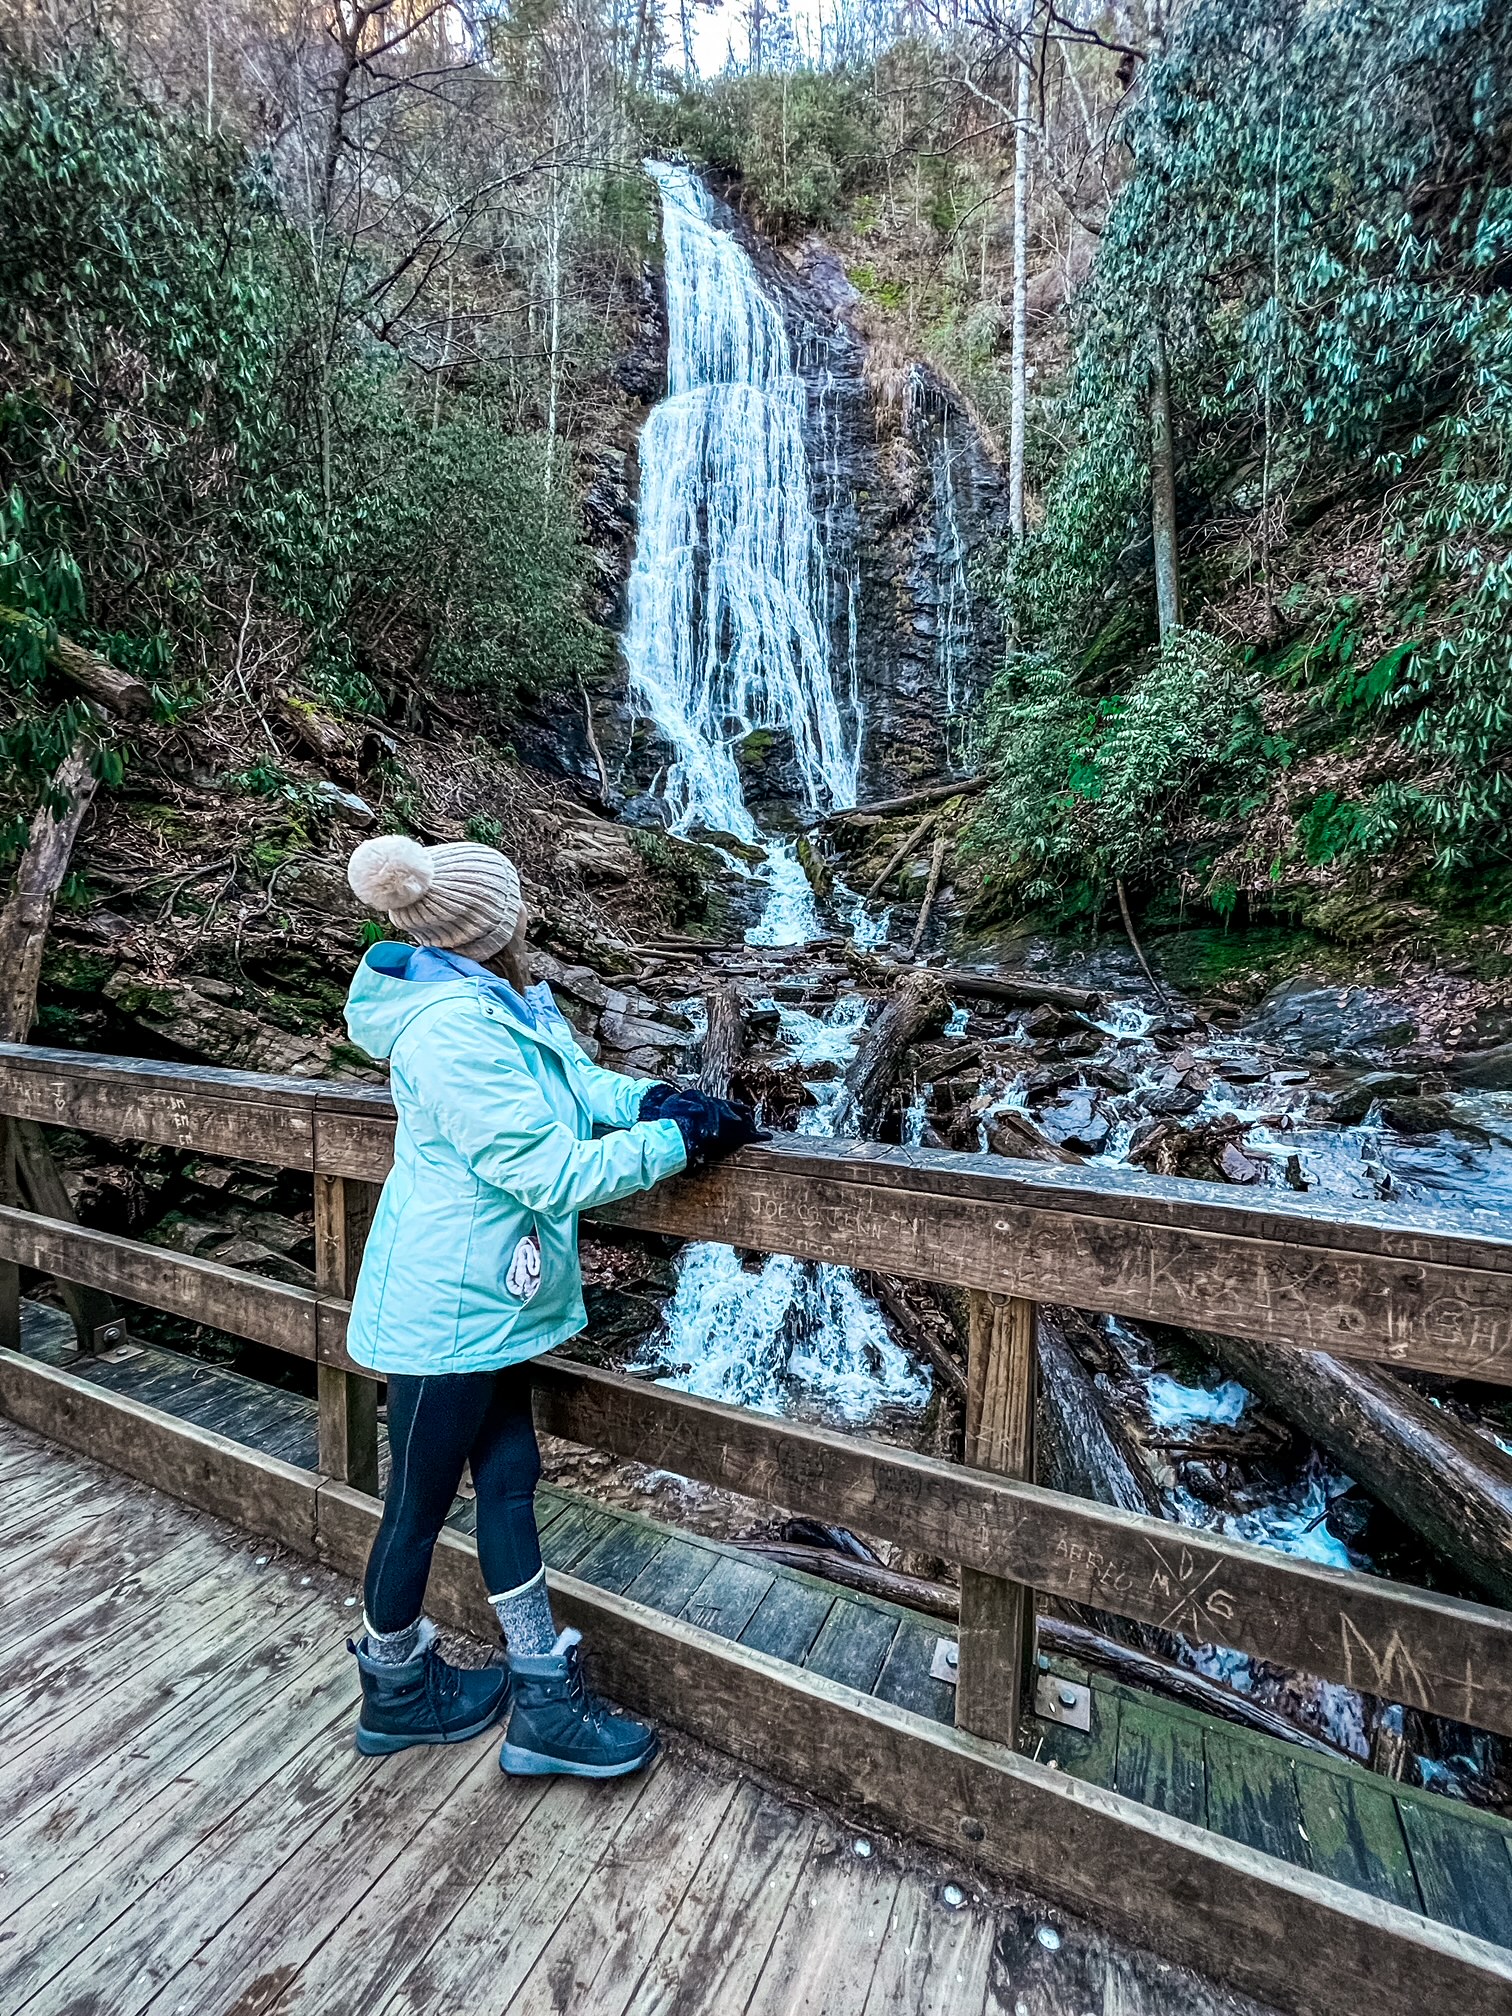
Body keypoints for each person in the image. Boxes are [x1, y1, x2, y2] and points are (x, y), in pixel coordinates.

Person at [340, 832, 763, 1776]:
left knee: (509, 1475)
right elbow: (544, 1169)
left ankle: (540, 1693)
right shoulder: (451, 1027)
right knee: (414, 1505)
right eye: (515, 902)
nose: (526, 912)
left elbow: (570, 1088)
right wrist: (674, 1149)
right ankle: (397, 1692)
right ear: (487, 921)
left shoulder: (495, 997)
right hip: (448, 1304)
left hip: (489, 1295)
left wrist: (656, 1099)